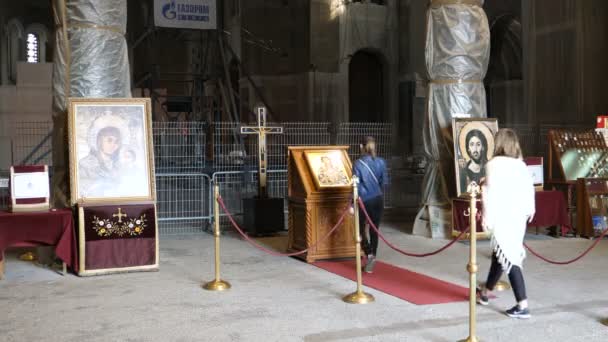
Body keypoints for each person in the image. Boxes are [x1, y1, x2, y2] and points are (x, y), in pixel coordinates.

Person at [477, 128, 535, 319]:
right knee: (500, 256)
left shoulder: (493, 164)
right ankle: (485, 293)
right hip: (518, 218)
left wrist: (486, 216)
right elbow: (529, 189)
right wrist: (530, 210)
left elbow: (490, 193)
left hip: (503, 217)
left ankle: (522, 305)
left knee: (509, 258)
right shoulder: (521, 165)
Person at [353, 136, 387, 273]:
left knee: (359, 230)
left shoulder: (357, 164)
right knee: (374, 229)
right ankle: (373, 256)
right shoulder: (381, 162)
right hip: (378, 199)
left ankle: (369, 254)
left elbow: (355, 186)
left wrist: (351, 204)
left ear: (361, 146)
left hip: (364, 200)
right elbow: (384, 182)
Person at [78, 126, 122, 197]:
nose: (113, 145)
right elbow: (80, 187)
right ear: (100, 140)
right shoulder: (85, 163)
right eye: (109, 140)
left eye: (116, 142)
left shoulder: (118, 165)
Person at [460, 129, 489, 193]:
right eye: (472, 144)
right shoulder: (465, 171)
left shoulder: (489, 168)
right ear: (468, 148)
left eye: (478, 144)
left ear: (483, 147)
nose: (475, 149)